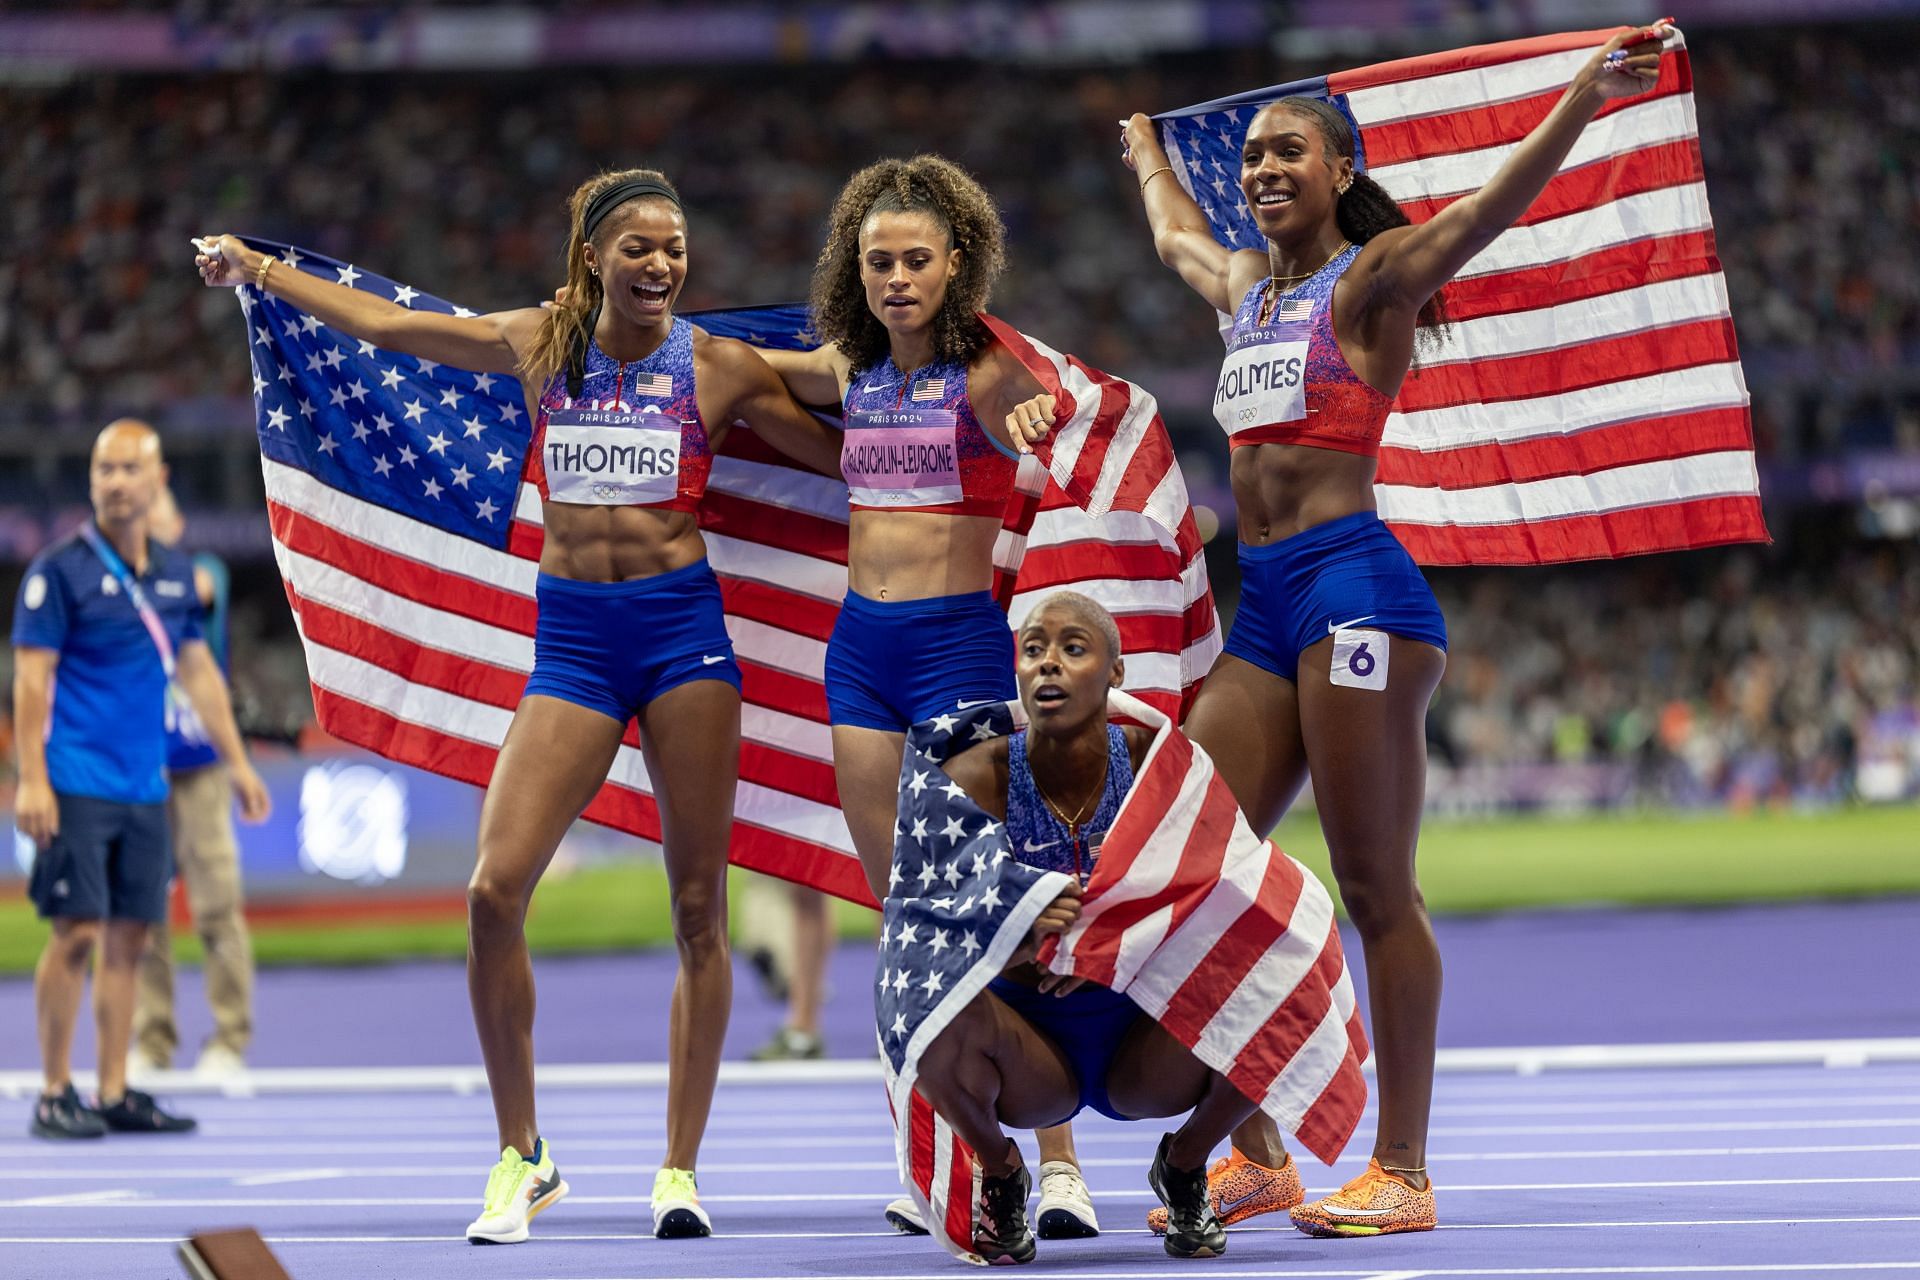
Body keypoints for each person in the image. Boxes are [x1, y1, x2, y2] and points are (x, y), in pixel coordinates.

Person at [195, 166, 842, 1243]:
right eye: (638, 244)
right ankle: (523, 1151)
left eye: (675, 246)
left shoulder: (721, 367)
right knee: (494, 890)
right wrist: (259, 270)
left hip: (686, 641)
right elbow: (390, 327)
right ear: (593, 255)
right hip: (576, 648)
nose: (662, 263)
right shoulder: (544, 347)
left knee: (698, 913)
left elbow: (840, 460)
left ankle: (678, 1168)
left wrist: (958, 425)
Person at [1117, 23, 1677, 1237]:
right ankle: (1256, 1151)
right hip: (1261, 602)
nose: (1264, 170)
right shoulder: (1241, 290)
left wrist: (1583, 96)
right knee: (1177, 859)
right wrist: (1149, 150)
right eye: (1253, 157)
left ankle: (1404, 1167)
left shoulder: (1368, 280)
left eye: (1289, 155)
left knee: (1377, 885)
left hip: (1354, 594)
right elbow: (1171, 234)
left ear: (1336, 170)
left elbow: (1484, 213)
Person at [755, 155, 1097, 1238]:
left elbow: (1022, 405)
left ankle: (1063, 1164)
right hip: (861, 653)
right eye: (878, 261)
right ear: (855, 271)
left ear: (958, 265)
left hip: (959, 651)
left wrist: (1032, 419)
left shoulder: (987, 369)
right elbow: (751, 374)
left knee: (1004, 906)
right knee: (903, 913)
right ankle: (933, 1155)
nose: (897, 277)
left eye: (916, 259)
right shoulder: (850, 372)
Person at [908, 592, 1257, 1262]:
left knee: (1273, 979)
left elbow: (1215, 898)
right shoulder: (976, 775)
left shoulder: (1159, 763)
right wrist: (1022, 955)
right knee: (926, 1005)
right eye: (1034, 649)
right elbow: (940, 925)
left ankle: (1185, 1165)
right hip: (1032, 1048)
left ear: (1115, 672)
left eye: (1073, 649)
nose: (1049, 666)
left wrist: (1106, 952)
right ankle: (1004, 1173)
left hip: (1143, 1038)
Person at [11, 420, 272, 1140]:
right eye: (104, 469)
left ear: (158, 482)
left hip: (146, 786)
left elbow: (199, 675)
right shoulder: (57, 572)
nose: (116, 481)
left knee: (129, 939)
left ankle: (117, 1087)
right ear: (92, 481)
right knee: (74, 935)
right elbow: (32, 681)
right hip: (76, 780)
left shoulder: (173, 574)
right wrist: (30, 778)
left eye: (130, 469)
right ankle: (55, 1090)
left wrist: (240, 763)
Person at [132, 487, 254, 1080]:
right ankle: (152, 1041)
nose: (147, 521)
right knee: (144, 910)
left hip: (200, 764)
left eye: (156, 510)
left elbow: (194, 594)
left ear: (178, 523)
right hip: (141, 768)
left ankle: (229, 1039)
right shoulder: (119, 581)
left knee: (216, 906)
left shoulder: (202, 572)